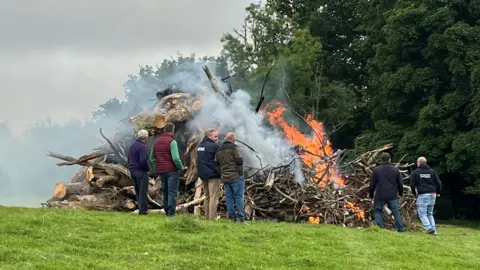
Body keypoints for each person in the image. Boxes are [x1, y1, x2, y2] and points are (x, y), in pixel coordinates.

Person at [150, 122, 185, 217]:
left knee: (165, 191)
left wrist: (156, 167)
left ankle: (166, 210)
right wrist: (181, 167)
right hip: (172, 171)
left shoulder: (156, 141)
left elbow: (152, 158)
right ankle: (171, 213)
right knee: (172, 192)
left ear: (164, 130)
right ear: (172, 130)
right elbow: (176, 158)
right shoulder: (172, 142)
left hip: (162, 171)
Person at [368, 152, 405, 232]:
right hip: (392, 194)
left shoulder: (377, 170)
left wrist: (371, 194)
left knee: (377, 211)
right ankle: (400, 228)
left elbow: (372, 184)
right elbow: (400, 183)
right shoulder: (395, 169)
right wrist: (401, 193)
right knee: (395, 212)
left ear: (381, 160)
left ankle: (380, 228)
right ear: (390, 159)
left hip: (380, 194)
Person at [215, 132, 245, 223]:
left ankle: (232, 218)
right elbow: (239, 161)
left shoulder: (219, 149)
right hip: (235, 176)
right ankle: (240, 218)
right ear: (233, 140)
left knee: (229, 197)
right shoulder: (234, 148)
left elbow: (216, 164)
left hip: (225, 177)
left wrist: (222, 173)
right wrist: (240, 173)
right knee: (239, 196)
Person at [411, 156, 442, 235]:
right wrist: (437, 192)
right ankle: (434, 231)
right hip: (433, 194)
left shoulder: (415, 172)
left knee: (422, 214)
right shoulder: (432, 171)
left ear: (419, 163)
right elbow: (439, 184)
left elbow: (412, 185)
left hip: (423, 194)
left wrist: (414, 194)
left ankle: (428, 228)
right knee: (429, 213)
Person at [197, 128, 221, 220]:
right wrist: (219, 172)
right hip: (213, 175)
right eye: (215, 136)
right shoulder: (214, 147)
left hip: (203, 175)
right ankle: (212, 217)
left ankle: (207, 216)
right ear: (209, 136)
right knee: (214, 197)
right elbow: (218, 161)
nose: (217, 138)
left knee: (207, 196)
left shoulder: (200, 146)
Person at [127, 129, 150, 215]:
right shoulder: (142, 147)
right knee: (143, 190)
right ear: (145, 138)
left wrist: (130, 167)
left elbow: (129, 158)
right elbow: (143, 160)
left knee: (137, 190)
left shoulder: (133, 145)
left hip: (133, 170)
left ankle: (140, 208)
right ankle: (143, 210)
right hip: (141, 171)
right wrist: (147, 168)